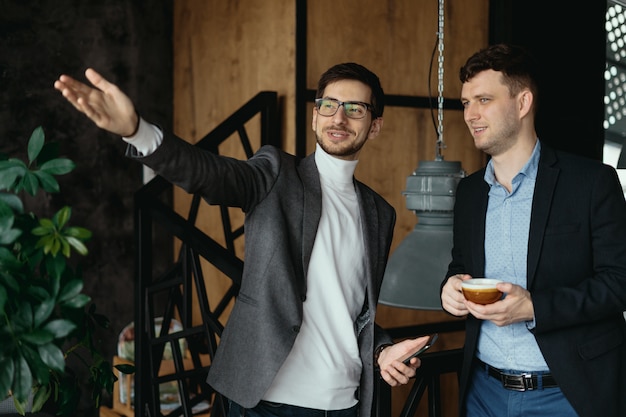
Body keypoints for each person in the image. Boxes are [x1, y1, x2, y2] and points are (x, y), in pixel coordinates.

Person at [54, 62, 431, 417]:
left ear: (375, 125)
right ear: (315, 115)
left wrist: (381, 349)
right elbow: (210, 175)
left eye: (355, 108)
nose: (339, 117)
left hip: (345, 400)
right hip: (266, 398)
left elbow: (351, 309)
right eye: (328, 105)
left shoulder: (379, 212)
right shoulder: (276, 174)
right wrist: (138, 131)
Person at [440, 42, 626, 417]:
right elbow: (460, 264)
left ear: (522, 103)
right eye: (465, 103)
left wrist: (535, 307)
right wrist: (450, 290)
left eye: (483, 100)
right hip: (482, 393)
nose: (471, 114)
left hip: (567, 396)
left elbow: (620, 282)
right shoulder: (470, 192)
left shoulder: (591, 183)